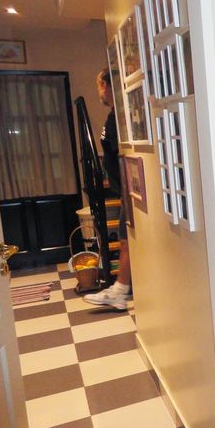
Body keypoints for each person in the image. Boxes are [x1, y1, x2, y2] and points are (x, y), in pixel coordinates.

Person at [84, 69, 132, 311]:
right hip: (124, 191)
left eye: (98, 87)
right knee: (125, 240)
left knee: (125, 240)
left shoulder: (120, 116)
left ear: (104, 85)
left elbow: (125, 156)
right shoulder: (115, 115)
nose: (99, 93)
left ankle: (119, 292)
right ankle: (120, 290)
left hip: (129, 191)